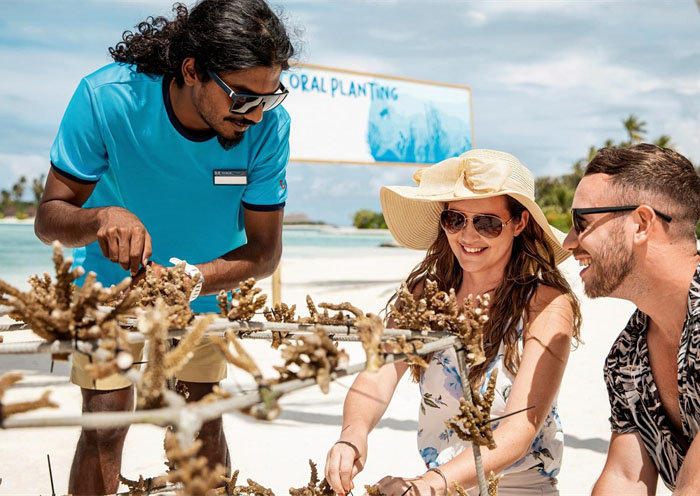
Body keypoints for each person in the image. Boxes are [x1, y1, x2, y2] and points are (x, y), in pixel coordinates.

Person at [33, 0, 295, 493]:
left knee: (201, 418)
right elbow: (49, 220)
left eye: (270, 97)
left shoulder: (268, 130)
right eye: (241, 98)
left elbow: (264, 252)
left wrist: (191, 279)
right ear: (192, 70)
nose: (256, 115)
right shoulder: (107, 98)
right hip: (111, 294)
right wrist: (101, 217)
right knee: (105, 421)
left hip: (206, 290)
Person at [324, 149, 581, 495]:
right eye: (455, 219)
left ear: (519, 224)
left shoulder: (546, 304)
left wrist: (427, 485)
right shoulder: (423, 295)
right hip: (437, 483)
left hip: (516, 486)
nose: (468, 235)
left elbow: (518, 431)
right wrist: (352, 435)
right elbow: (377, 375)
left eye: (487, 223)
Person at [561, 144, 700, 494]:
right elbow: (624, 478)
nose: (568, 241)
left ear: (641, 223)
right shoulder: (627, 357)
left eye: (581, 223)